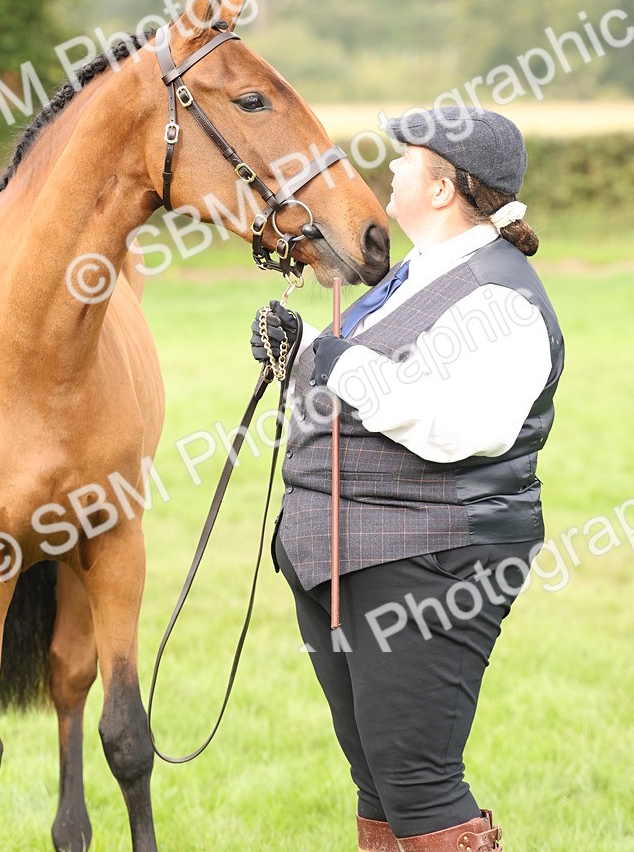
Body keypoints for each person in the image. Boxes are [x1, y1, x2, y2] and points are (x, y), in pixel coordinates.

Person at [251, 107, 564, 852]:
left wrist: (338, 363)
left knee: (418, 781)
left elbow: (461, 425)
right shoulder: (416, 275)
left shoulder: (500, 298)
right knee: (379, 778)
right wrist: (295, 357)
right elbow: (362, 386)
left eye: (407, 158)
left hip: (435, 556)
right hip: (346, 550)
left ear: (445, 187)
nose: (389, 167)